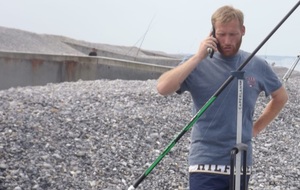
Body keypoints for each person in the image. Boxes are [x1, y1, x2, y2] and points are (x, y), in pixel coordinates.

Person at [156, 5, 288, 190]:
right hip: (204, 163)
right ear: (212, 33)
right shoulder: (197, 64)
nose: (227, 41)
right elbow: (162, 88)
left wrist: (255, 128)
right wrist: (197, 57)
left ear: (243, 30)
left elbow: (280, 97)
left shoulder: (256, 64)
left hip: (240, 162)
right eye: (221, 34)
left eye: (233, 34)